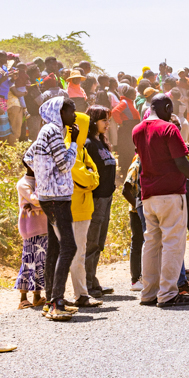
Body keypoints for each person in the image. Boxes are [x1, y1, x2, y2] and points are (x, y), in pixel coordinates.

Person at [132, 93, 189, 307]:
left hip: (148, 195)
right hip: (170, 193)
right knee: (173, 243)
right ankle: (168, 293)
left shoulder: (137, 130)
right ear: (168, 107)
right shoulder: (169, 128)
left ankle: (148, 293)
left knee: (151, 243)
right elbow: (181, 161)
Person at [67, 108, 101, 308]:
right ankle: (80, 295)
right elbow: (86, 177)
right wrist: (92, 176)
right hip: (74, 210)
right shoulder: (69, 148)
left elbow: (93, 174)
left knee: (79, 253)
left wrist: (91, 176)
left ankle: (81, 293)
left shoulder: (82, 150)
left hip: (84, 207)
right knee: (77, 254)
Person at [83, 106, 118, 299]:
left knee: (100, 242)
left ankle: (92, 279)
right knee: (92, 242)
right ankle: (87, 284)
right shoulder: (89, 144)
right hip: (95, 199)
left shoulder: (102, 142)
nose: (107, 123)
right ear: (93, 121)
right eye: (104, 120)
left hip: (106, 198)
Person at [15, 168, 48, 309]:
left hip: (44, 226)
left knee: (41, 262)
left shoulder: (40, 181)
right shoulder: (23, 183)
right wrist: (43, 203)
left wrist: (34, 206)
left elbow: (38, 202)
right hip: (30, 227)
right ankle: (23, 298)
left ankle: (37, 296)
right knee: (28, 261)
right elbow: (37, 200)